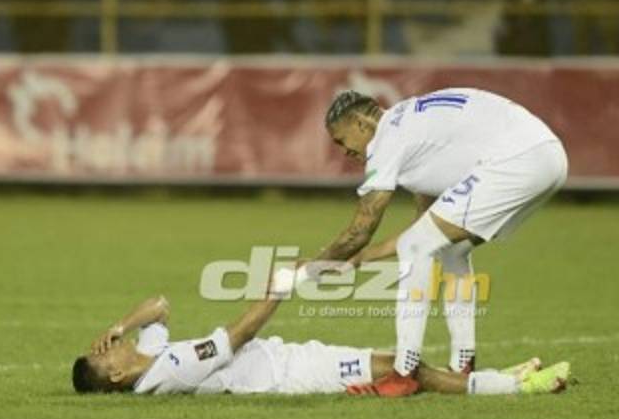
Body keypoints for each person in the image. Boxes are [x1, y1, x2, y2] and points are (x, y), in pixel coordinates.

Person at [276, 88, 567, 397]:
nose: (343, 151)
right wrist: (362, 259)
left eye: (341, 140)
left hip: (519, 157)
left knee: (417, 246)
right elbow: (424, 228)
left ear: (361, 124)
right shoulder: (414, 132)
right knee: (449, 247)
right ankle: (463, 363)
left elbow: (361, 230)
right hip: (547, 155)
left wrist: (310, 270)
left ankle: (405, 372)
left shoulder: (387, 139)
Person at [71, 294, 569, 396]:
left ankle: (498, 378)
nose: (107, 346)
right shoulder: (170, 369)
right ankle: (515, 387)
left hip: (290, 355)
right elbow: (239, 334)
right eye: (104, 354)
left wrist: (119, 323)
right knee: (403, 366)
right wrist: (278, 286)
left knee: (399, 367)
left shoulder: (146, 351)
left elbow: (159, 306)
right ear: (117, 375)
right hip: (289, 377)